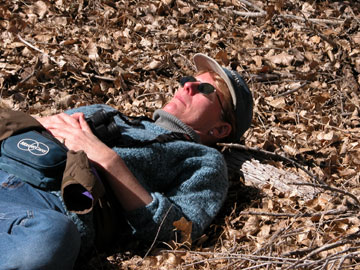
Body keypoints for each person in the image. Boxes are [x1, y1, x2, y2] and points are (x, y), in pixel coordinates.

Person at [0, 53, 253, 270]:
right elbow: (39, 127)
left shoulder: (203, 160)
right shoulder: (108, 112)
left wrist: (106, 159)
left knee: (51, 239)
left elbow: (178, 232)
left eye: (205, 89)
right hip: (8, 166)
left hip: (43, 211)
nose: (187, 86)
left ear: (220, 130)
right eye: (189, 80)